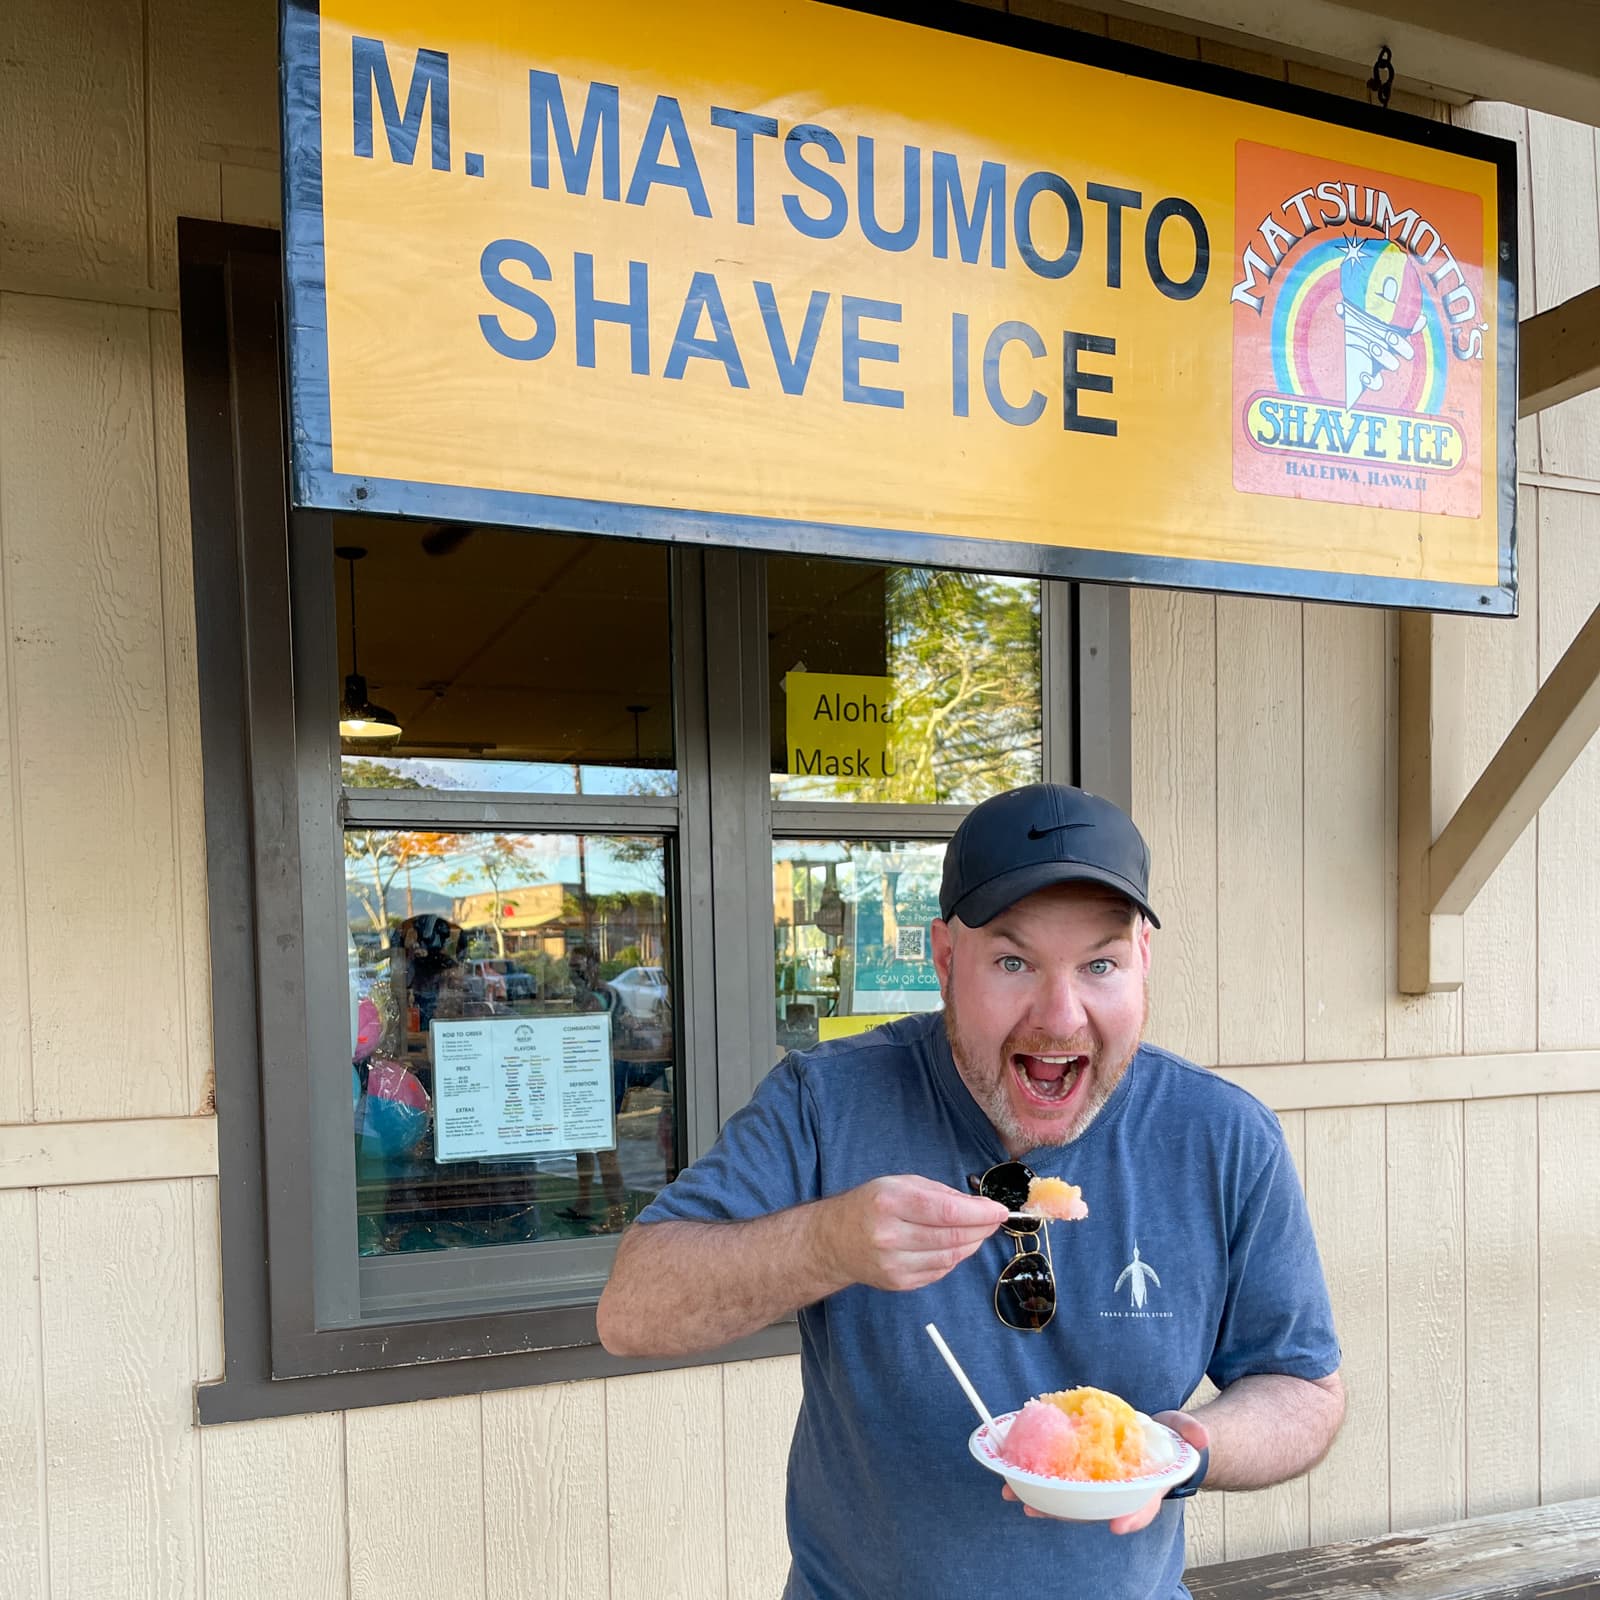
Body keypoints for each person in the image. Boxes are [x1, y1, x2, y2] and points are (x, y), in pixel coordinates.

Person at [597, 784, 1345, 1599]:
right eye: (1013, 962)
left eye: (1100, 963)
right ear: (947, 961)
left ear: (1143, 963)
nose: (1060, 1018)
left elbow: (1302, 1387)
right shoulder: (829, 1104)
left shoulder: (1222, 1137)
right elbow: (633, 1313)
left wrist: (1183, 1447)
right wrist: (830, 1242)